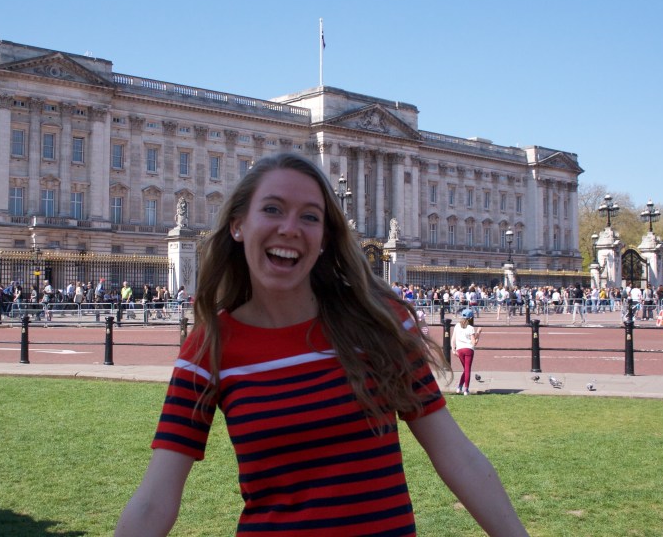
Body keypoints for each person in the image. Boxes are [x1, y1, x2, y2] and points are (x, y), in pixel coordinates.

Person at [115, 153, 527, 536]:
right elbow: (154, 500)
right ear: (238, 225)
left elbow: (456, 454)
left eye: (310, 216)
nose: (290, 228)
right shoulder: (210, 346)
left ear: (325, 237)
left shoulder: (377, 322)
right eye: (272, 209)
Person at [451, 308, 481, 396]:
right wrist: (479, 333)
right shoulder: (470, 328)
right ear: (471, 318)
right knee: (467, 370)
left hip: (459, 349)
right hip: (468, 349)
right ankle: (466, 389)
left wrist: (453, 349)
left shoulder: (457, 326)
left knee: (465, 369)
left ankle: (459, 387)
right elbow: (474, 342)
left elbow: (453, 339)